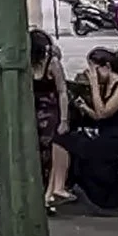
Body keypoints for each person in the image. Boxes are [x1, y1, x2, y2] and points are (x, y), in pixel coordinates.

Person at [53, 45, 118, 213]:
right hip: (104, 133)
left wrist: (93, 85)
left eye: (94, 70)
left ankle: (106, 199)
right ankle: (59, 187)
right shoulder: (105, 85)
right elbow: (97, 117)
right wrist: (84, 107)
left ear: (106, 67)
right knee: (64, 140)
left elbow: (104, 112)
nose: (93, 74)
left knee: (87, 152)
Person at [31, 29, 73, 210]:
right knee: (37, 153)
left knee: (49, 152)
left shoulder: (52, 63)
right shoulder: (26, 64)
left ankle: (48, 194)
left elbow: (62, 91)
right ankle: (40, 192)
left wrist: (64, 119)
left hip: (50, 111)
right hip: (33, 111)